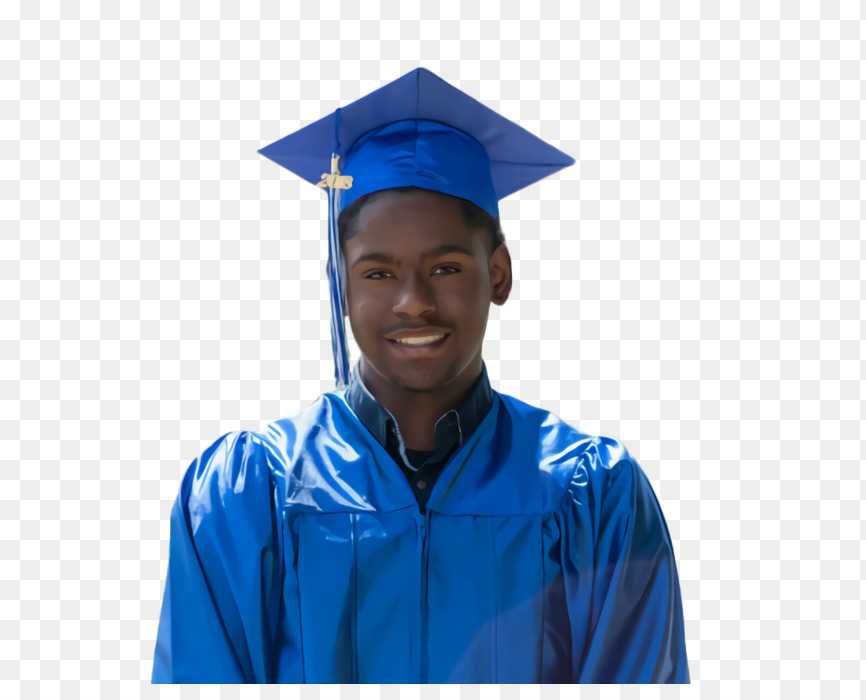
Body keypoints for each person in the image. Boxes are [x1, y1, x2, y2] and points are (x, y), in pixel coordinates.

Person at [151, 68, 690, 683]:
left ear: (500, 274)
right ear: (340, 286)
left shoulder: (594, 495)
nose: (413, 301)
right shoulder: (248, 493)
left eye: (447, 268)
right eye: (378, 273)